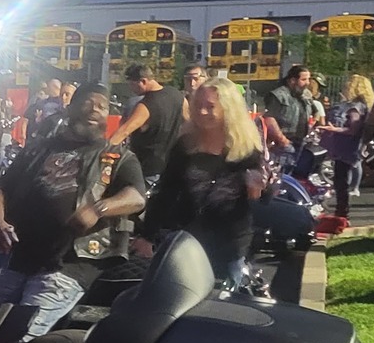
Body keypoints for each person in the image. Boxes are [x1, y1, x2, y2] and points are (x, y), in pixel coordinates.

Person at [0, 85, 146, 338]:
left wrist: (98, 209)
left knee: (16, 339)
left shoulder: (117, 157)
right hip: (15, 257)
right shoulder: (39, 149)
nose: (95, 110)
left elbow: (136, 197)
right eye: (88, 103)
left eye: (102, 106)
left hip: (66, 265)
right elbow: (2, 186)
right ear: (70, 108)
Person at [139, 76, 269, 283]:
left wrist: (261, 189)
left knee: (226, 299)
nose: (202, 112)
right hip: (187, 243)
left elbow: (262, 197)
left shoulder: (247, 150)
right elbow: (165, 192)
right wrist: (147, 235)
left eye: (210, 107)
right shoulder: (185, 146)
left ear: (228, 109)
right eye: (198, 105)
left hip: (231, 246)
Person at [115, 62, 185, 184]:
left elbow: (123, 131)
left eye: (132, 84)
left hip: (147, 169)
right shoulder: (177, 95)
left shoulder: (146, 105)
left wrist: (102, 152)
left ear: (143, 81)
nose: (131, 89)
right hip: (170, 165)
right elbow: (189, 121)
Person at [319, 74, 373, 217]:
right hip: (350, 148)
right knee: (341, 179)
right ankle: (342, 210)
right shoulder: (363, 106)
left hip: (346, 149)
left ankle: (341, 211)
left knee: (340, 180)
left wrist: (333, 129)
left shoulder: (355, 108)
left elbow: (353, 129)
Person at [261, 66, 313, 156]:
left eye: (308, 79)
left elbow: (315, 111)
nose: (307, 83)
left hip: (301, 142)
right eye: (304, 79)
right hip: (282, 144)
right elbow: (269, 118)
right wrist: (282, 140)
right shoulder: (278, 95)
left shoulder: (305, 95)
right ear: (292, 80)